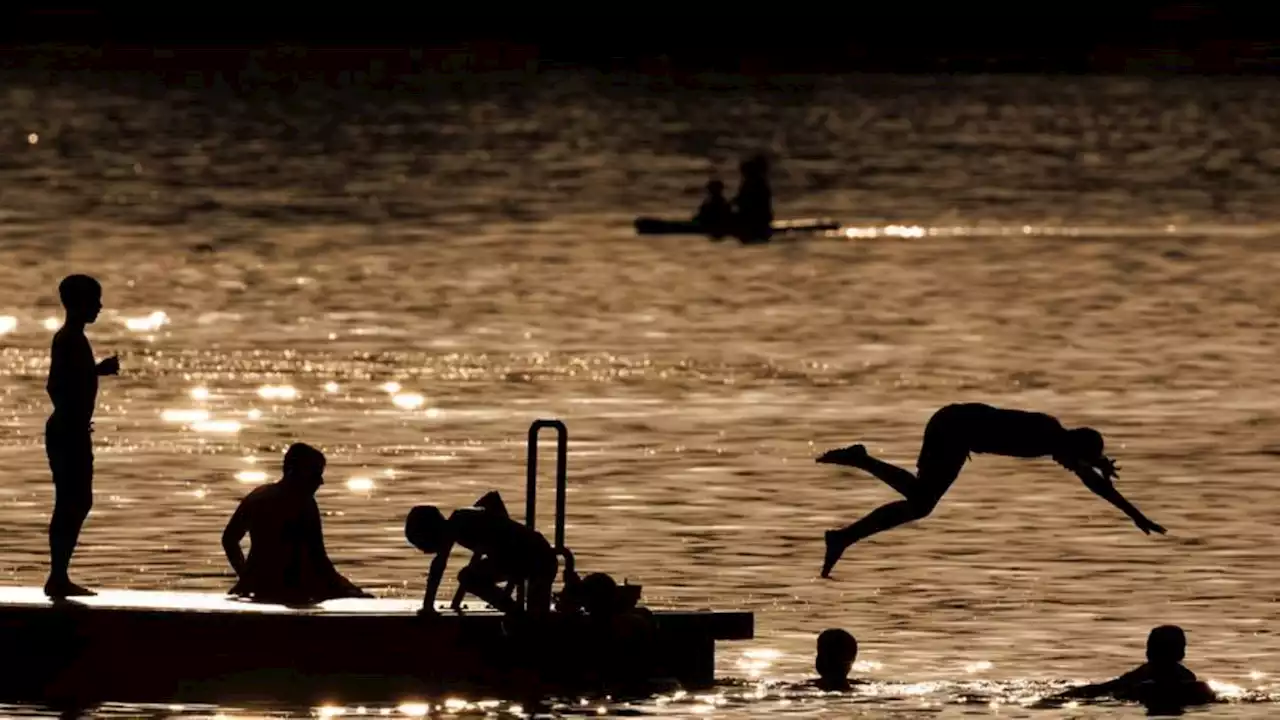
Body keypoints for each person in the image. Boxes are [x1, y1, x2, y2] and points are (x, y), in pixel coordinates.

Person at [817, 403, 1166, 578]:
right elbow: (1090, 479)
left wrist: (1137, 515)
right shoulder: (1045, 433)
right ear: (1074, 444)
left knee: (920, 503)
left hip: (957, 431)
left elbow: (1090, 477)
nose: (1072, 465)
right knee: (922, 501)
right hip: (952, 427)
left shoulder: (1056, 442)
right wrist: (1135, 514)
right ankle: (860, 466)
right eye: (1078, 458)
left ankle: (844, 536)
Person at [221, 443, 370, 605]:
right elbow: (319, 560)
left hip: (257, 585)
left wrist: (245, 576)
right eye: (315, 475)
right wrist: (352, 591)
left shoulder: (258, 496)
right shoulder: (304, 504)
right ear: (293, 472)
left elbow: (229, 540)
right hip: (292, 588)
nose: (320, 481)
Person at [45, 274, 119, 598]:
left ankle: (59, 574)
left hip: (72, 430)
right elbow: (55, 386)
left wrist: (95, 371)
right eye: (95, 301)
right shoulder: (68, 339)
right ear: (79, 303)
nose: (100, 307)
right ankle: (57, 576)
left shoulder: (75, 338)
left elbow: (70, 379)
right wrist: (94, 373)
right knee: (70, 502)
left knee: (77, 501)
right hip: (67, 432)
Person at [405, 490, 559, 616]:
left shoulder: (462, 523)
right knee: (536, 619)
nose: (424, 551)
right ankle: (515, 612)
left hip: (538, 559)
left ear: (432, 532)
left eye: (422, 544)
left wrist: (427, 607)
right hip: (534, 557)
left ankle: (515, 613)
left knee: (468, 577)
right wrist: (427, 606)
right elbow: (493, 499)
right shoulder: (457, 524)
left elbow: (438, 566)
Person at [1054, 625, 1215, 708]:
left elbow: (1102, 689)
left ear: (1148, 652)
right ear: (1181, 653)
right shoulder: (1190, 681)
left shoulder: (1136, 679)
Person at [732, 155, 773, 242]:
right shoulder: (755, 184)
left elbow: (743, 202)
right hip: (759, 219)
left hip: (753, 220)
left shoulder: (754, 185)